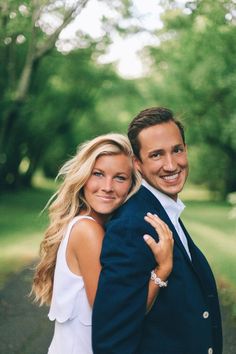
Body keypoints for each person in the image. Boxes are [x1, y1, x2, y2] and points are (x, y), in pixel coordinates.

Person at [92, 108, 223, 354]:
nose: (171, 164)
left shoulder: (164, 209)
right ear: (137, 164)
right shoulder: (132, 226)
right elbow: (111, 340)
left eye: (177, 150)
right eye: (156, 155)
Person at [31, 133, 174, 354]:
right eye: (98, 174)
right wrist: (162, 271)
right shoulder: (87, 231)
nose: (107, 186)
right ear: (84, 177)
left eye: (120, 178)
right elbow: (116, 317)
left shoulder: (87, 224)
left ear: (131, 184)